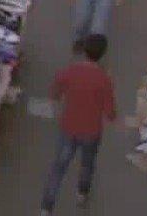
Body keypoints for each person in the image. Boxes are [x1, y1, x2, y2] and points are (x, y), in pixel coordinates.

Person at [39, 35, 116, 216]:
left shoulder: (70, 72)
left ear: (84, 50)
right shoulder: (104, 79)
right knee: (87, 164)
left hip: (68, 127)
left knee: (58, 168)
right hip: (91, 131)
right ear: (102, 54)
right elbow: (111, 113)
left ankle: (46, 207)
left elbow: (54, 94)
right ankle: (82, 193)